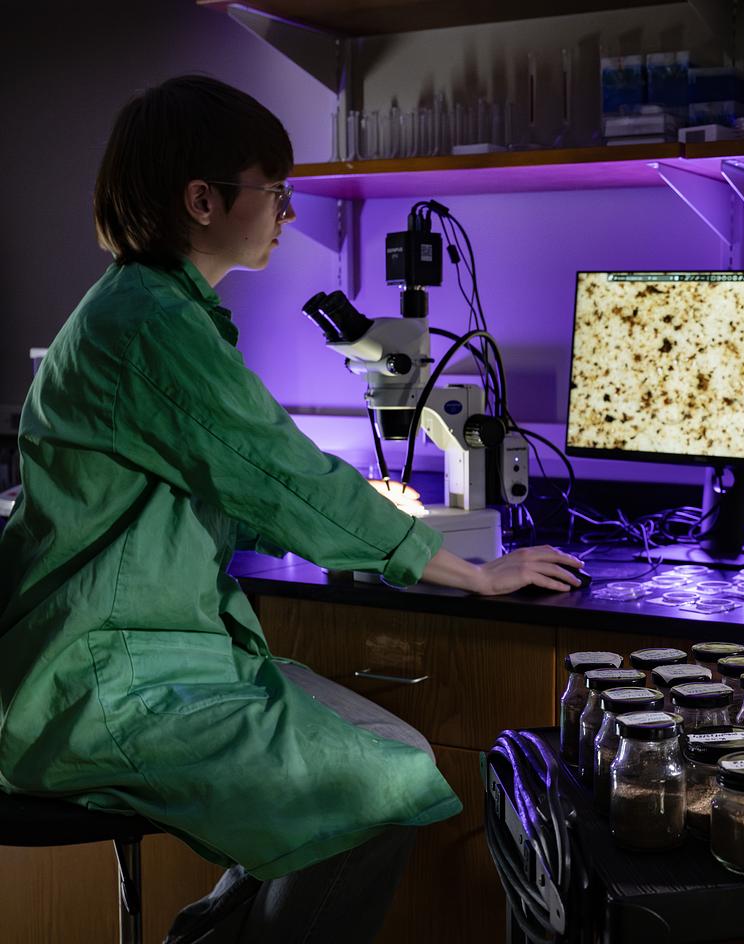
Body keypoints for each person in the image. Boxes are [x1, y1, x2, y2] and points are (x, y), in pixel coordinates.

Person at [0, 75, 582, 942]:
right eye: (273, 191)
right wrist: (472, 570)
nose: (289, 213)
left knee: (385, 762)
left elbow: (253, 482)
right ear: (202, 200)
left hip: (154, 651)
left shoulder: (155, 311)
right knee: (379, 790)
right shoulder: (149, 325)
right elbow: (280, 475)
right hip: (104, 679)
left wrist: (380, 532)